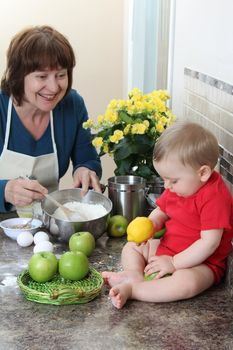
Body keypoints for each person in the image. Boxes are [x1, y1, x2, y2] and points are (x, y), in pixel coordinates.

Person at [102, 121, 233, 309]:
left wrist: (174, 262)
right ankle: (134, 274)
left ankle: (134, 290)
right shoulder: (180, 185)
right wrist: (152, 224)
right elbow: (162, 211)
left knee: (187, 283)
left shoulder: (214, 197)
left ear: (203, 172)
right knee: (133, 247)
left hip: (201, 263)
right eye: (164, 179)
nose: (167, 186)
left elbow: (209, 243)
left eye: (172, 180)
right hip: (168, 248)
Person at [0, 25, 102, 214]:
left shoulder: (72, 105)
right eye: (42, 76)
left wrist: (85, 169)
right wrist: (3, 191)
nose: (54, 87)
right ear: (18, 75)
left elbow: (87, 157)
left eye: (61, 75)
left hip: (48, 222)